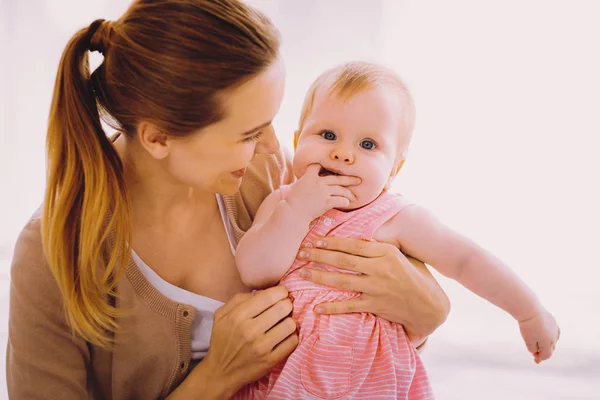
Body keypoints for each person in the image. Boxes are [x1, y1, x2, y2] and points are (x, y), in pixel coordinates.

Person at [6, 2, 451, 399]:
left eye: (270, 122)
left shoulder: (273, 177)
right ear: (158, 138)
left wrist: (428, 312)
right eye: (248, 134)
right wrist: (217, 376)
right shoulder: (51, 253)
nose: (272, 146)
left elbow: (379, 312)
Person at [233, 61, 561, 399]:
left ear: (394, 169)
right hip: (282, 376)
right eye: (328, 135)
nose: (343, 153)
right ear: (299, 139)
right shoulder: (283, 202)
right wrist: (297, 211)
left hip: (368, 382)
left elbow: (467, 260)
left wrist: (529, 312)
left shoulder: (396, 217)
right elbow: (255, 272)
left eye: (368, 145)